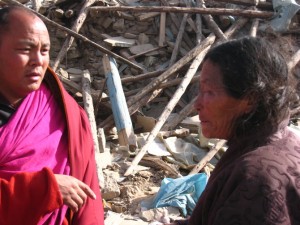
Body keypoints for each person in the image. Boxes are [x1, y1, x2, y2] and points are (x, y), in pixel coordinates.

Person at [166, 36, 300, 225]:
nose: (196, 104)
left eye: (209, 92)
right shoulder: (285, 140)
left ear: (250, 100)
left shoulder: (255, 179)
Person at [0, 5, 104, 225]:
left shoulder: (65, 112)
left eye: (44, 50)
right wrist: (44, 190)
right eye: (25, 49)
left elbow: (88, 200)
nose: (38, 61)